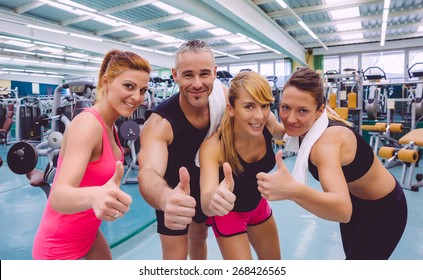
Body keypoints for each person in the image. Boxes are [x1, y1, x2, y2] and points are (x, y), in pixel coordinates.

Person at [257, 67, 408, 260]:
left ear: (320, 110)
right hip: (357, 203)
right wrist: (257, 105)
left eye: (302, 110)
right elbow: (280, 132)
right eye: (285, 107)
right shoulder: (308, 126)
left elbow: (342, 210)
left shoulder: (326, 144)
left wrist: (292, 190)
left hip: (385, 209)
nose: (290, 118)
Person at [32, 49, 151, 260]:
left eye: (142, 90)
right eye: (129, 86)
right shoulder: (88, 125)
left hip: (89, 234)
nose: (137, 97)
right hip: (59, 247)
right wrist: (96, 196)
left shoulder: (111, 127)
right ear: (106, 82)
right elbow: (58, 197)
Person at [137, 40, 227, 260]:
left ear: (215, 73)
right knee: (175, 256)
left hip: (207, 188)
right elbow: (149, 172)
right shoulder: (160, 123)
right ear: (175, 75)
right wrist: (167, 198)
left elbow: (265, 118)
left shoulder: (224, 98)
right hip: (173, 191)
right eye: (188, 75)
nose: (197, 83)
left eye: (204, 74)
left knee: (199, 238)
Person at [199, 71, 285, 259]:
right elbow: (206, 202)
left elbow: (283, 133)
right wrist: (215, 198)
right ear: (231, 109)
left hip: (258, 206)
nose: (259, 115)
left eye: (265, 105)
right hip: (228, 215)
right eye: (249, 107)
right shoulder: (214, 147)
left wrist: (316, 115)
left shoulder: (266, 121)